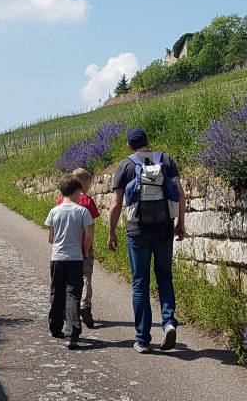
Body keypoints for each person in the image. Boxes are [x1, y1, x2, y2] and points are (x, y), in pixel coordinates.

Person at [108, 126, 186, 353]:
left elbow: (115, 204)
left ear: (129, 146)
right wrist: (180, 223)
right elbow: (180, 194)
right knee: (165, 276)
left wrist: (112, 232)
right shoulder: (166, 160)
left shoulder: (125, 165)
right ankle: (169, 322)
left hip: (137, 230)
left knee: (140, 283)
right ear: (148, 141)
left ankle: (142, 339)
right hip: (164, 227)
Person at [45, 174, 95, 349]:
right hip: (75, 258)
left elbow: (50, 238)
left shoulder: (54, 211)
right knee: (73, 294)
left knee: (57, 292)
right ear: (76, 192)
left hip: (57, 257)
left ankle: (55, 326)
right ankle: (72, 335)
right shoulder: (83, 211)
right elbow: (88, 236)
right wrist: (84, 251)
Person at [56, 167, 100, 328]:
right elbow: (91, 228)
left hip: (66, 246)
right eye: (87, 187)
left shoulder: (61, 200)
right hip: (84, 246)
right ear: (83, 185)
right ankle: (84, 305)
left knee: (68, 280)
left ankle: (67, 308)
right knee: (86, 276)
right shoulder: (87, 201)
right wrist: (87, 249)